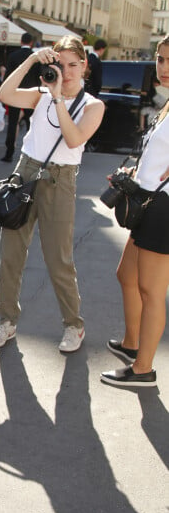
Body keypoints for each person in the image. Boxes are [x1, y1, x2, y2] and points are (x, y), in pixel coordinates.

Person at [0, 35, 104, 353]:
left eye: (72, 65)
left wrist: (57, 99)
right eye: (59, 65)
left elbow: (74, 139)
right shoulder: (40, 94)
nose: (65, 73)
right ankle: (7, 321)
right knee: (11, 254)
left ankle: (73, 325)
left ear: (84, 67)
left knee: (59, 259)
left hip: (59, 180)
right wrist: (30, 61)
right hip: (25, 172)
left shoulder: (93, 106)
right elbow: (4, 93)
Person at [101, 35, 169, 388]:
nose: (165, 68)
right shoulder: (167, 104)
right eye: (161, 59)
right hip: (148, 201)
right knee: (126, 276)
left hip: (164, 209)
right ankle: (132, 345)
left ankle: (144, 370)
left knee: (151, 291)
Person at [1, 32, 36, 162]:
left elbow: (7, 77)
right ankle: (31, 153)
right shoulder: (35, 57)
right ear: (31, 42)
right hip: (31, 95)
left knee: (12, 123)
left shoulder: (13, 56)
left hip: (15, 94)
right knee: (31, 124)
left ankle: (9, 152)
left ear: (21, 41)